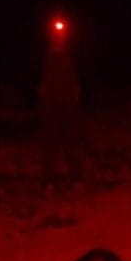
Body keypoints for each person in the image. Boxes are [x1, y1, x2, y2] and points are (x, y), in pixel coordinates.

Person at [37, 13, 84, 194]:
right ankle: (49, 182)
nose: (59, 37)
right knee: (51, 146)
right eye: (56, 35)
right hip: (52, 109)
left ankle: (76, 179)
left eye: (61, 34)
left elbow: (73, 81)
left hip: (67, 108)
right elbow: (43, 85)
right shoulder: (48, 58)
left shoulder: (68, 57)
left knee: (71, 144)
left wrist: (75, 94)